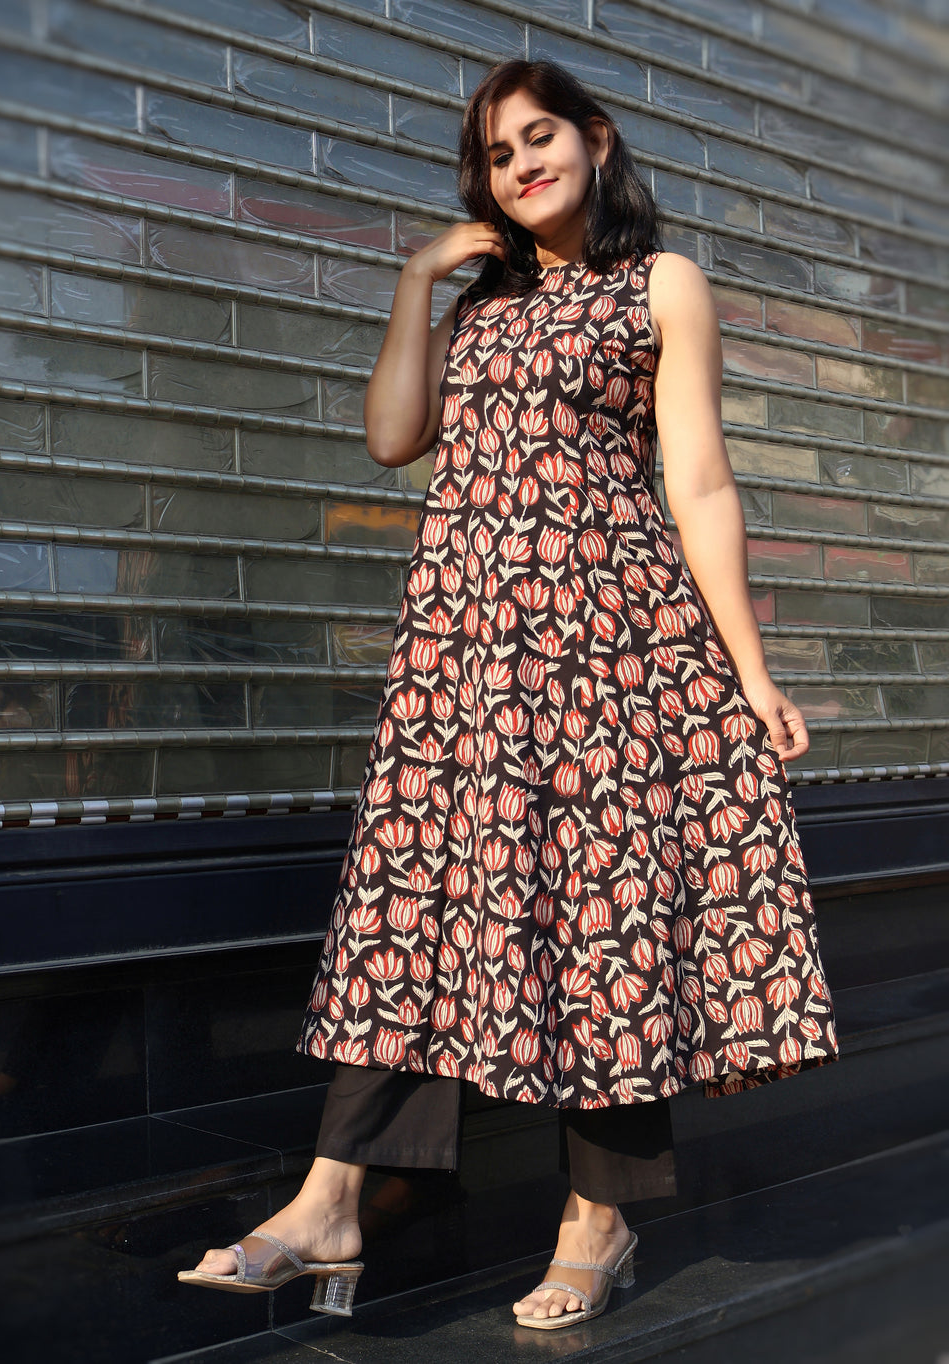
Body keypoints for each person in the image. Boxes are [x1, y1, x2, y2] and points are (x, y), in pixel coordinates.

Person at [178, 57, 840, 1331]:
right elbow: (390, 439)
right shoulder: (476, 305)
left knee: (603, 916)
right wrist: (419, 278)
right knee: (407, 905)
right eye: (496, 153)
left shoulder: (660, 284)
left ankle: (598, 1216)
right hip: (466, 650)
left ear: (594, 140)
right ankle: (330, 1199)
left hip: (610, 640)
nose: (521, 164)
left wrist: (750, 672)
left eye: (540, 138)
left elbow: (699, 482)